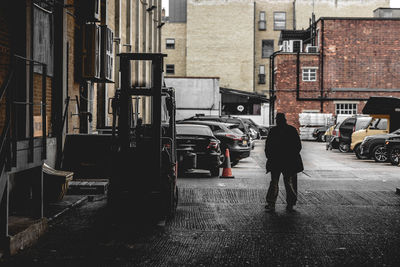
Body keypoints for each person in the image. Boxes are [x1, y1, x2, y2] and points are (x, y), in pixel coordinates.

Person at [264, 113, 303, 212]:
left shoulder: (273, 131)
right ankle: (290, 203)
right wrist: (292, 155)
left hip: (276, 161)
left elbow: (268, 146)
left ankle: (271, 203)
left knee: (274, 182)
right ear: (285, 120)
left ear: (277, 120)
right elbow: (298, 146)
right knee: (289, 182)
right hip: (289, 161)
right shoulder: (291, 130)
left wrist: (270, 157)